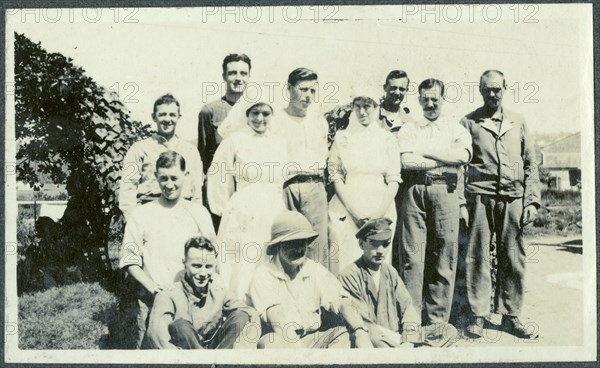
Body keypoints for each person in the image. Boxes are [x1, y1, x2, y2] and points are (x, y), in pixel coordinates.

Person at [460, 70, 540, 339]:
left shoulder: (518, 121)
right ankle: (478, 316)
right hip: (479, 197)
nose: (492, 94)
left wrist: (531, 201)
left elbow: (531, 163)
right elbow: (460, 166)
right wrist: (462, 202)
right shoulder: (469, 122)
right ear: (480, 90)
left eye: (497, 89)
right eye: (486, 89)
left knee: (513, 257)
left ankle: (510, 315)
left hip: (514, 198)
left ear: (505, 89)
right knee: (477, 257)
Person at [119, 151, 216, 348]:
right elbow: (129, 259)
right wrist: (151, 286)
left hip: (192, 299)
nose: (169, 184)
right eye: (163, 178)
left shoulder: (199, 213)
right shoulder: (142, 214)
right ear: (155, 177)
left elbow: (213, 255)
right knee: (154, 352)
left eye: (174, 178)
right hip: (153, 298)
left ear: (185, 176)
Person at [396, 79, 472, 328]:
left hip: (446, 192)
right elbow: (407, 161)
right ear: (418, 100)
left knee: (444, 257)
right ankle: (411, 322)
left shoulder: (455, 128)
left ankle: (437, 324)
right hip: (415, 191)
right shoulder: (409, 128)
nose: (430, 104)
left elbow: (463, 156)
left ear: (443, 99)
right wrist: (444, 159)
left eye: (435, 99)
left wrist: (427, 152)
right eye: (425, 99)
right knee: (412, 259)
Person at [247, 211, 373, 349]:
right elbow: (280, 325)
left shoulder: (314, 269)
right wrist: (304, 359)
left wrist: (360, 330)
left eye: (302, 242)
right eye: (291, 243)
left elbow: (341, 300)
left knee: (341, 334)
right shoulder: (264, 275)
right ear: (277, 246)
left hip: (311, 339)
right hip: (282, 339)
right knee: (273, 342)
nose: (298, 249)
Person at [207, 102, 287, 301]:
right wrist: (226, 209)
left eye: (265, 113)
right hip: (244, 208)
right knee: (243, 260)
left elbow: (281, 180)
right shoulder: (234, 140)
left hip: (272, 208)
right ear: (247, 114)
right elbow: (218, 174)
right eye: (255, 113)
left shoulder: (279, 142)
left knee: (268, 256)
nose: (260, 118)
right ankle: (239, 306)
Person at [338, 218, 459, 348]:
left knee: (448, 330)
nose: (380, 250)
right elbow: (364, 322)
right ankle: (414, 353)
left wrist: (409, 340)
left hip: (398, 337)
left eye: (385, 244)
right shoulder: (349, 275)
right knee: (371, 336)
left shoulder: (390, 272)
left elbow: (407, 308)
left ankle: (407, 352)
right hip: (373, 336)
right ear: (361, 244)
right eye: (374, 243)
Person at [145, 236, 259, 349]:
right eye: (196, 266)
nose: (203, 273)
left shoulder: (219, 291)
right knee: (180, 326)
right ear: (184, 263)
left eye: (208, 267)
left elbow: (250, 313)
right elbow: (157, 335)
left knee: (242, 315)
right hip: (186, 358)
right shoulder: (168, 294)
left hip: (216, 352)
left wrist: (241, 348)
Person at [328, 96, 400, 273]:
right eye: (357, 106)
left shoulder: (387, 138)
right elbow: (335, 174)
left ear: (376, 107)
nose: (362, 111)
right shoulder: (342, 137)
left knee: (376, 255)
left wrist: (378, 214)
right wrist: (355, 213)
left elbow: (394, 178)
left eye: (367, 106)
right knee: (347, 254)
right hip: (348, 202)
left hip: (380, 203)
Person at [271, 68, 330, 269]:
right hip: (286, 187)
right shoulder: (276, 121)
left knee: (316, 245)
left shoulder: (319, 122)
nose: (308, 96)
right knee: (288, 241)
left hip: (314, 186)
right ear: (289, 89)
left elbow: (323, 157)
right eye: (303, 89)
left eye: (312, 91)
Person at [119, 94, 203, 222]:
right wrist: (133, 221)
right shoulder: (139, 149)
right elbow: (128, 188)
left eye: (172, 115)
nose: (167, 119)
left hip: (183, 213)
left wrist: (197, 220)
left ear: (179, 117)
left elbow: (197, 191)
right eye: (162, 114)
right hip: (150, 212)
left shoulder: (191, 150)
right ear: (154, 117)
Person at [198, 53, 252, 230]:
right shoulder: (210, 111)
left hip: (247, 182)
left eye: (243, 73)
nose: (238, 78)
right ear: (224, 76)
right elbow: (204, 155)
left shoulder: (257, 111)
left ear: (249, 76)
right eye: (233, 73)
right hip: (220, 184)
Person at [325, 69, 415, 148]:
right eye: (393, 88)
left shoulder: (409, 123)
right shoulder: (368, 113)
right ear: (385, 88)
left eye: (402, 89)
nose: (397, 93)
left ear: (407, 90)